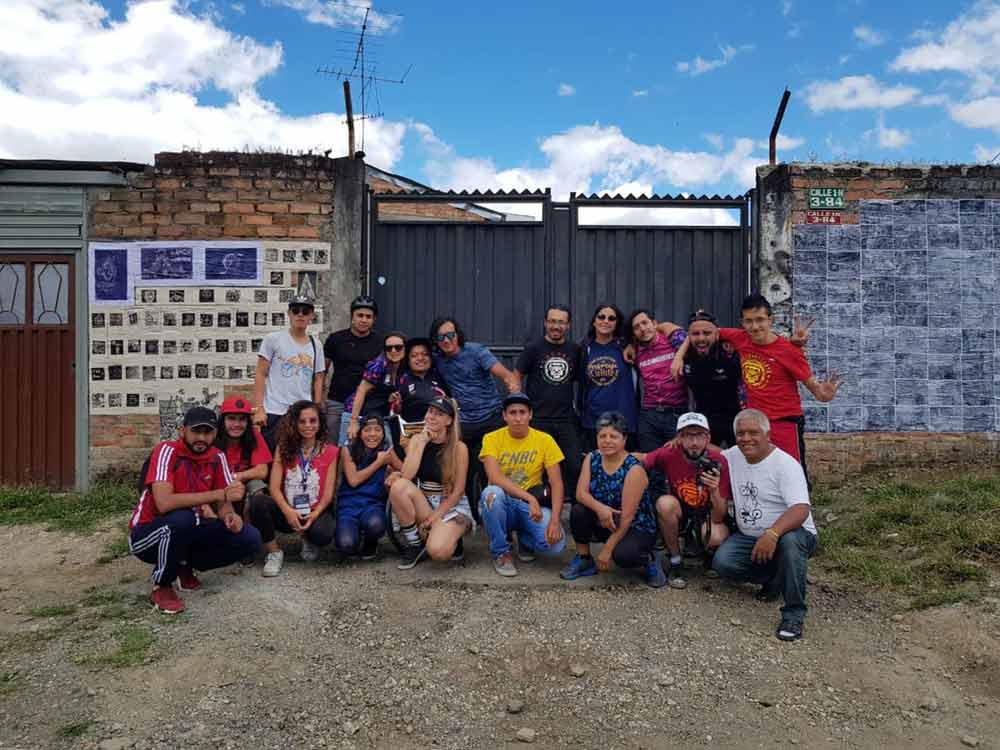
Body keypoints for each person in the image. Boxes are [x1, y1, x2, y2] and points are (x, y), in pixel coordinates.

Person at [129, 406, 262, 614]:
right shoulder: (167, 451)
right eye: (196, 431)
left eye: (207, 432)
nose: (201, 437)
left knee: (249, 538)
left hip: (189, 527)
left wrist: (229, 515)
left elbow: (224, 502)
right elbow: (164, 503)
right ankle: (162, 585)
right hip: (147, 534)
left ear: (215, 434)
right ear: (183, 431)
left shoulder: (217, 457)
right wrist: (219, 495)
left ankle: (183, 565)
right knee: (183, 519)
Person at [711, 409, 818, 642]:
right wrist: (679, 439)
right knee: (723, 562)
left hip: (791, 534)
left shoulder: (785, 465)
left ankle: (793, 615)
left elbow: (801, 509)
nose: (746, 438)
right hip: (750, 536)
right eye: (741, 433)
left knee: (790, 543)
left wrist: (772, 533)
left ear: (767, 435)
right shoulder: (733, 456)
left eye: (753, 433)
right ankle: (775, 578)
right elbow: (708, 450)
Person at [713, 294, 840, 467]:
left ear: (770, 320)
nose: (755, 326)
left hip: (785, 422)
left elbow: (817, 392)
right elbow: (704, 331)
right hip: (756, 423)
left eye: (760, 320)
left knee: (792, 471)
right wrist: (679, 357)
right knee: (760, 471)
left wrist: (825, 394)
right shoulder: (740, 338)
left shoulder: (789, 351)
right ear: (742, 322)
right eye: (749, 321)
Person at [559, 411, 665, 588]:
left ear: (624, 439)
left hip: (635, 526)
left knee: (623, 556)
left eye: (613, 436)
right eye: (602, 436)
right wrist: (600, 509)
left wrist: (607, 549)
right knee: (579, 511)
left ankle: (650, 558)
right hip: (607, 519)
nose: (607, 441)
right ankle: (584, 559)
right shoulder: (592, 458)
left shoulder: (633, 469)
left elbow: (628, 517)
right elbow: (580, 494)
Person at [429, 316, 518, 513]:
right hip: (463, 424)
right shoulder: (438, 360)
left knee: (491, 472)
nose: (447, 340)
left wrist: (514, 392)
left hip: (491, 419)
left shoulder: (476, 351)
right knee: (463, 473)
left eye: (450, 335)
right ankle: (472, 516)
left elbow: (506, 375)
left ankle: (498, 514)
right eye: (441, 337)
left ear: (458, 334)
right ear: (435, 341)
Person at [479, 393, 567, 577]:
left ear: (530, 414)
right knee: (491, 493)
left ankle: (525, 539)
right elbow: (494, 476)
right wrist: (529, 498)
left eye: (522, 412)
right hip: (504, 503)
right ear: (504, 416)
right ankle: (501, 552)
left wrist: (555, 520)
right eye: (512, 413)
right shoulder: (491, 438)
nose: (518, 418)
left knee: (555, 546)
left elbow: (557, 483)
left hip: (530, 508)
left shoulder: (544, 440)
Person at [640, 412, 732, 589]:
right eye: (689, 436)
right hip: (681, 510)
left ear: (708, 438)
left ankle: (708, 556)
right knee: (664, 504)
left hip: (708, 515)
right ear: (679, 438)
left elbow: (719, 515)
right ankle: (675, 560)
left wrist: (714, 489)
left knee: (716, 535)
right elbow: (643, 460)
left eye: (700, 436)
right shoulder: (669, 453)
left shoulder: (719, 460)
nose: (694, 442)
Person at [249, 400, 339, 577]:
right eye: (302, 421)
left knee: (323, 534)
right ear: (294, 424)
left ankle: (308, 538)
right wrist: (288, 511)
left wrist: (315, 513)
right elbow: (274, 487)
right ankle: (274, 552)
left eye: (313, 421)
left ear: (320, 423)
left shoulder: (331, 451)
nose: (308, 426)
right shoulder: (283, 448)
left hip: (313, 510)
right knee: (258, 503)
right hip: (288, 509)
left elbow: (328, 493)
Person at [387, 396, 472, 569]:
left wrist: (434, 518)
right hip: (425, 501)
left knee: (438, 552)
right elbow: (407, 476)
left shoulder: (459, 448)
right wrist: (421, 443)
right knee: (398, 486)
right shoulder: (416, 440)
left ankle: (448, 538)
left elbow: (458, 492)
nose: (431, 417)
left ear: (449, 421)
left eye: (439, 414)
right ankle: (415, 544)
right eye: (430, 412)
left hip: (451, 506)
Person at [514, 304, 583, 506]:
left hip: (566, 419)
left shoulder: (575, 350)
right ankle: (542, 510)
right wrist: (518, 404)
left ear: (568, 325)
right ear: (545, 323)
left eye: (561, 322)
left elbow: (581, 380)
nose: (556, 326)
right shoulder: (533, 348)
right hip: (538, 419)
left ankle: (575, 510)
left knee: (574, 465)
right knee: (539, 468)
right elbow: (516, 375)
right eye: (552, 321)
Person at [252, 295, 325, 452]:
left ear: (312, 316)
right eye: (296, 310)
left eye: (305, 311)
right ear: (289, 314)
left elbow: (319, 377)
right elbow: (260, 374)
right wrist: (259, 408)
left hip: (302, 413)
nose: (300, 315)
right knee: (271, 457)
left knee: (299, 459)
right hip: (274, 410)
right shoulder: (273, 339)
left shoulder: (316, 345)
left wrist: (317, 409)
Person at [336, 414, 402, 558]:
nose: (372, 434)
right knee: (346, 544)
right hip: (349, 506)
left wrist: (396, 474)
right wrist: (378, 463)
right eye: (367, 430)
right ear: (360, 433)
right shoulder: (348, 449)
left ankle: (370, 542)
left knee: (375, 525)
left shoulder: (386, 451)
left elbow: (406, 471)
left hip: (373, 504)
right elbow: (353, 480)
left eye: (377, 430)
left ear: (383, 433)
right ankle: (354, 535)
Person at [676, 310, 744, 448]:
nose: (701, 338)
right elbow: (664, 327)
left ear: (717, 334)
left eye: (707, 333)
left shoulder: (731, 351)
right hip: (704, 423)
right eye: (695, 334)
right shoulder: (684, 351)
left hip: (735, 421)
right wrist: (679, 356)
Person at [323, 295, 382, 446]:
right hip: (337, 402)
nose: (364, 320)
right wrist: (320, 399)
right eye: (360, 315)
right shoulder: (335, 339)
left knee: (366, 447)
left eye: (368, 316)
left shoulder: (380, 342)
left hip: (368, 404)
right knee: (333, 446)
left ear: (374, 319)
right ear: (352, 317)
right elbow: (322, 371)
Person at [578, 304, 637, 450]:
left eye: (611, 318)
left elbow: (652, 330)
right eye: (601, 317)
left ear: (617, 324)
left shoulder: (626, 346)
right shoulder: (584, 349)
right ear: (594, 321)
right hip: (594, 419)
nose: (606, 321)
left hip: (623, 419)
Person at [628, 309, 687, 452]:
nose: (642, 329)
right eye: (636, 327)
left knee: (677, 460)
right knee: (651, 460)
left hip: (676, 413)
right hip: (648, 415)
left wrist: (679, 356)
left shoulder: (672, 339)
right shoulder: (635, 352)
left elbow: (692, 336)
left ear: (654, 323)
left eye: (645, 323)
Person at [213, 396, 272, 517]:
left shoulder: (253, 435)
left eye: (242, 419)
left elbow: (262, 471)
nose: (237, 424)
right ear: (223, 420)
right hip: (219, 483)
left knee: (257, 488)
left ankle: (255, 527)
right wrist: (228, 481)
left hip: (246, 481)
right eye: (231, 418)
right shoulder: (213, 437)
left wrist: (236, 477)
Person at [345, 331, 407, 443]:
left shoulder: (406, 368)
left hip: (380, 416)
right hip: (357, 413)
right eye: (389, 348)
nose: (393, 351)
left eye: (398, 347)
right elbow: (361, 390)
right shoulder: (379, 365)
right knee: (348, 448)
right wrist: (353, 421)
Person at [395, 337, 450, 423]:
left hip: (439, 427)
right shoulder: (401, 380)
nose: (420, 358)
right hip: (412, 428)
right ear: (408, 360)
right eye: (414, 355)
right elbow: (395, 411)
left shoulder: (442, 376)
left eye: (425, 354)